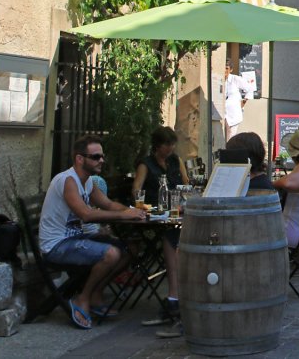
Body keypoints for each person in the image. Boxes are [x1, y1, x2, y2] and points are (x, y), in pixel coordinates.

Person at [40, 135, 147, 330]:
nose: (102, 161)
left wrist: (134, 211)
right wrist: (124, 216)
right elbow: (86, 215)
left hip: (75, 240)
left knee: (130, 249)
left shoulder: (87, 181)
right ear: (80, 159)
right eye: (96, 157)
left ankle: (96, 294)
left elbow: (107, 204)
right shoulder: (67, 180)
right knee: (111, 253)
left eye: (102, 156)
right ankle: (83, 299)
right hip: (57, 245)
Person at [132, 126, 189, 322]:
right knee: (171, 236)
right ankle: (176, 296)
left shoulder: (176, 160)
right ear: (158, 145)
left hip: (175, 211)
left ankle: (177, 294)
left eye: (173, 143)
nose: (172, 147)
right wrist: (147, 206)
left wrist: (183, 198)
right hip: (154, 213)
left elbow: (185, 182)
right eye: (168, 144)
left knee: (177, 234)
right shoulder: (146, 164)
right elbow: (136, 190)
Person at [223, 60, 253, 140]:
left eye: (226, 68)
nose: (224, 70)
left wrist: (244, 102)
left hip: (233, 115)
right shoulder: (219, 79)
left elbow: (250, 88)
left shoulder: (235, 79)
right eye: (223, 68)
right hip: (221, 114)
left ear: (231, 70)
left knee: (230, 139)